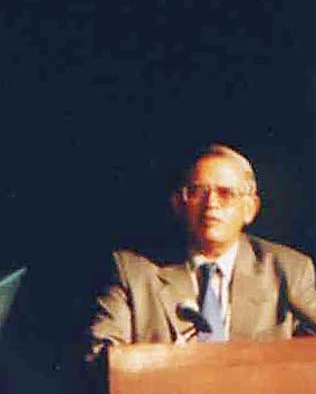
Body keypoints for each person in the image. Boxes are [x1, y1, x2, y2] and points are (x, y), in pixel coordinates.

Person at [89, 144, 316, 358]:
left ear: (250, 209)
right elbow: (101, 357)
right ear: (178, 204)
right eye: (197, 192)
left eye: (225, 193)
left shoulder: (290, 270)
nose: (211, 204)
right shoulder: (133, 271)